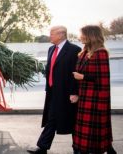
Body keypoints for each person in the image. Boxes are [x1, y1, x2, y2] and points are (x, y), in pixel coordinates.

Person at [27, 26, 81, 154]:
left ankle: (78, 149)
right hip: (52, 92)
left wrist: (74, 92)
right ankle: (42, 147)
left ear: (61, 35)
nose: (50, 36)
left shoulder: (74, 50)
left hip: (67, 93)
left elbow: (77, 73)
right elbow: (51, 69)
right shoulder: (51, 49)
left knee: (72, 120)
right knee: (51, 118)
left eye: (52, 34)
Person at [72, 25, 116, 154]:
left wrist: (82, 77)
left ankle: (99, 149)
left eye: (82, 34)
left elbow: (103, 79)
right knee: (85, 129)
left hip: (95, 98)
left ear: (90, 36)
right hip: (84, 95)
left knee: (93, 130)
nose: (80, 37)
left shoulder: (101, 53)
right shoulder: (84, 52)